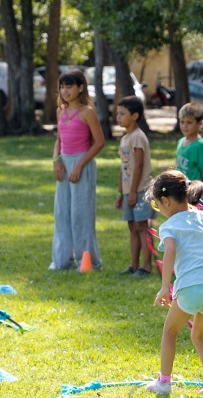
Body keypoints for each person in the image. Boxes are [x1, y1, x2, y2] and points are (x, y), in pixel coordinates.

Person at [146, 170, 203, 396]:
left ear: (166, 201)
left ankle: (164, 382)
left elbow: (169, 250)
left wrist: (164, 287)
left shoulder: (169, 226)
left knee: (170, 331)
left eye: (158, 205)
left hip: (191, 287)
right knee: (198, 336)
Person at [50, 69, 105, 271]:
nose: (65, 91)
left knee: (81, 215)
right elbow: (59, 140)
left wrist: (80, 164)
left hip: (82, 165)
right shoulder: (60, 112)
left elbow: (99, 142)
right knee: (62, 213)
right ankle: (62, 260)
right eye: (62, 87)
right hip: (63, 165)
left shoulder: (87, 112)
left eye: (69, 86)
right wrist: (56, 160)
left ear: (80, 87)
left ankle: (88, 261)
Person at [115, 96, 155, 277]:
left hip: (141, 190)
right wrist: (120, 192)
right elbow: (124, 166)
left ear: (135, 116)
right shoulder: (125, 138)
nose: (118, 117)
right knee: (132, 227)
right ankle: (133, 265)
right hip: (128, 191)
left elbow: (138, 166)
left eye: (122, 114)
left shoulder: (138, 137)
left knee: (142, 227)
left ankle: (146, 266)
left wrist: (132, 192)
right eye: (117, 113)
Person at [175, 103, 203, 204]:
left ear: (199, 123)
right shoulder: (180, 142)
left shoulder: (200, 146)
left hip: (195, 193)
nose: (184, 126)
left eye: (189, 122)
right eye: (182, 122)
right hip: (181, 190)